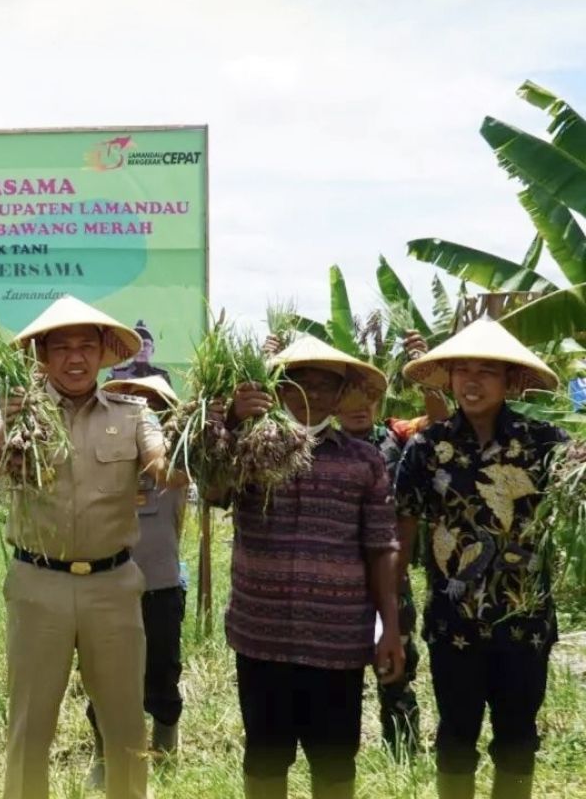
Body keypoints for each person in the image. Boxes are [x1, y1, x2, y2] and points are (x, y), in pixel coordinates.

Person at [0, 295, 182, 799]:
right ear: (42, 357)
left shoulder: (133, 413)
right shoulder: (22, 411)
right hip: (37, 585)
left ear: (102, 354)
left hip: (113, 587)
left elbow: (164, 467)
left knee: (125, 726)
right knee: (30, 725)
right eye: (62, 347)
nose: (75, 357)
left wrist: (197, 435)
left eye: (86, 346)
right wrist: (9, 419)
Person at [217, 335, 404, 799]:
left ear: (342, 396)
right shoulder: (247, 449)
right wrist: (232, 421)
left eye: (326, 385)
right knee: (264, 755)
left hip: (336, 639)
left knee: (335, 759)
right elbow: (213, 488)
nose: (313, 394)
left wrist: (391, 628)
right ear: (279, 390)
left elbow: (382, 546)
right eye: (299, 384)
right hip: (261, 634)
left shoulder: (365, 460)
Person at [395, 319, 565, 799]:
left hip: (525, 623)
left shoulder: (546, 444)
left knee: (517, 739)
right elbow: (401, 531)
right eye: (461, 370)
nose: (471, 382)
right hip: (454, 624)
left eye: (486, 371)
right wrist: (391, 620)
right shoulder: (428, 449)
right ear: (447, 378)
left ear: (511, 381)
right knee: (455, 737)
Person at [264, 330, 446, 757]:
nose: (361, 409)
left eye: (370, 401)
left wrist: (424, 369)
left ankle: (401, 749)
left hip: (389, 568)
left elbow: (440, 424)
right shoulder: (302, 443)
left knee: (397, 663)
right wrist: (265, 365)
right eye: (353, 401)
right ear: (336, 403)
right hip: (328, 579)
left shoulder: (398, 436)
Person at [85, 375, 189, 789]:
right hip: (105, 583)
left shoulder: (175, 459)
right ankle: (103, 750)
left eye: (151, 404)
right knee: (100, 671)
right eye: (131, 402)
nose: (140, 410)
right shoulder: (103, 456)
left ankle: (165, 740)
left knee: (162, 667)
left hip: (160, 582)